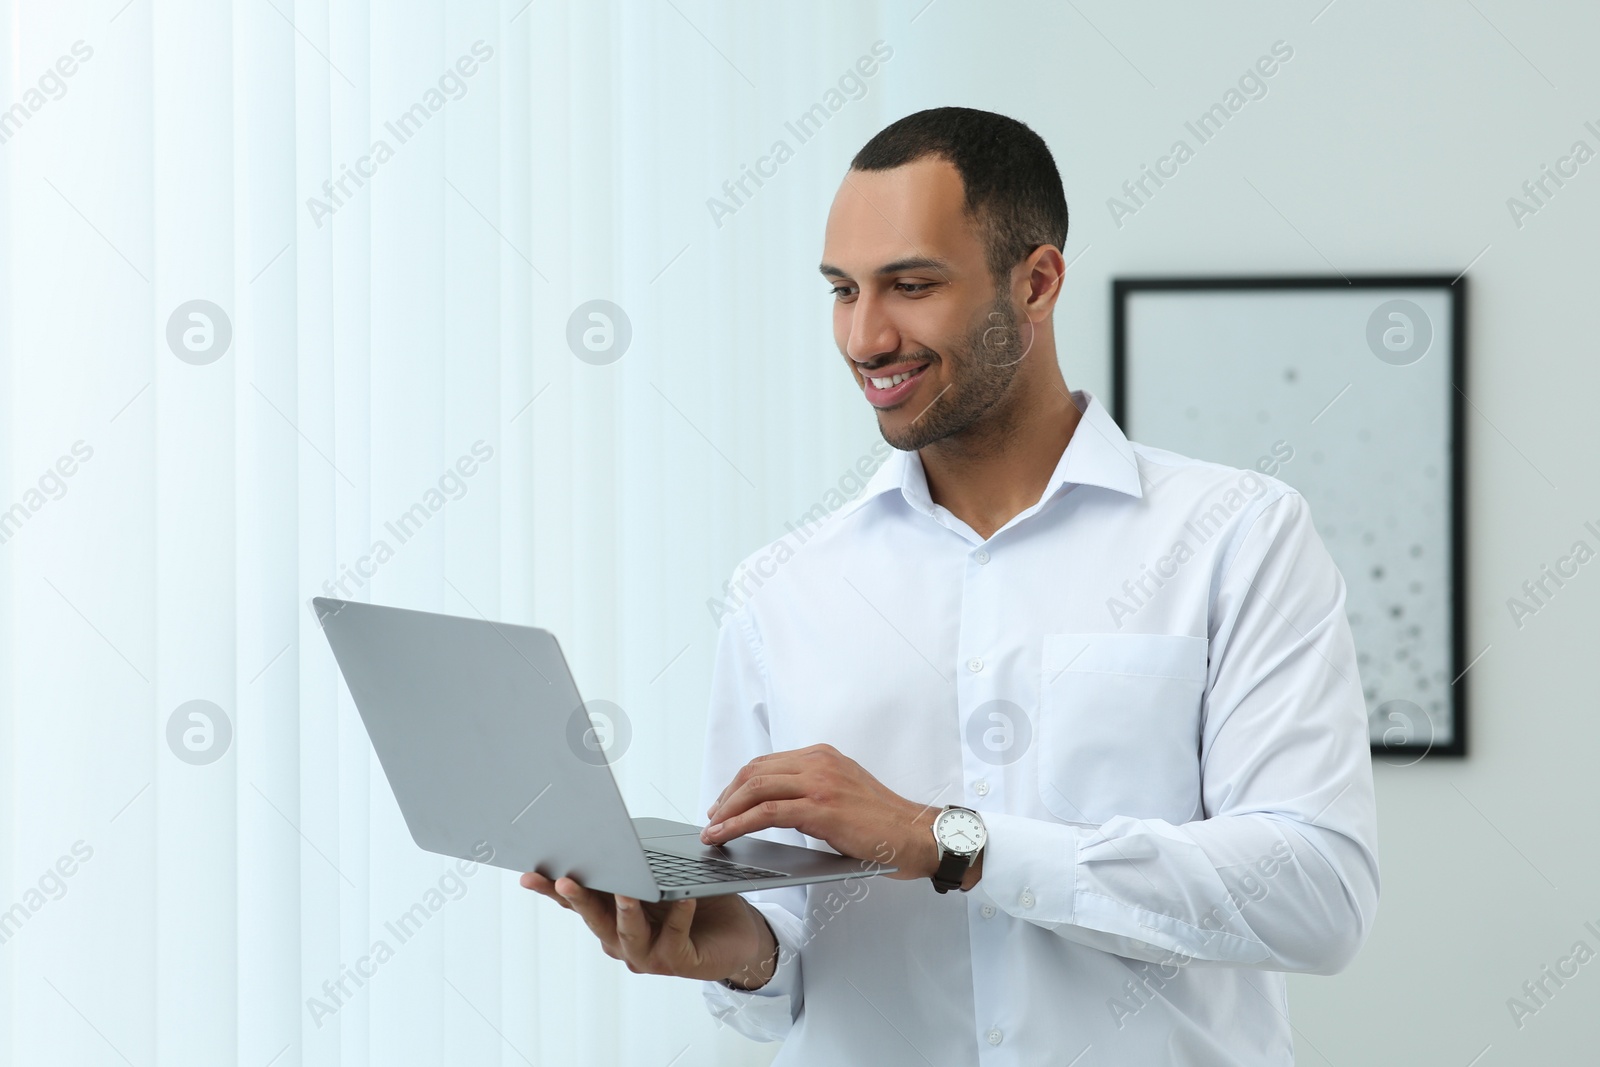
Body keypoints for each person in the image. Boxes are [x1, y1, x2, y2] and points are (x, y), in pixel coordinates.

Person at [522, 106, 1379, 1065]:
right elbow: (780, 967)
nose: (865, 336)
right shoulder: (781, 588)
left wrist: (949, 841)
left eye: (911, 285)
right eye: (842, 290)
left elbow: (1318, 895)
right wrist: (738, 955)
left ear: (1038, 282)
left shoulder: (1237, 534)